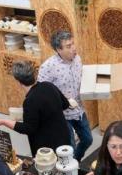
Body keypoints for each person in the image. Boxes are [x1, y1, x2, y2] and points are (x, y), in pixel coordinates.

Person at [0, 61, 71, 155]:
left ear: (19, 82)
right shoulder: (49, 86)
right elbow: (65, 104)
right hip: (64, 140)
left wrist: (3, 121)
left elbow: (28, 128)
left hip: (47, 150)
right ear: (34, 75)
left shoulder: (30, 101)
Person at [39, 31, 92, 159]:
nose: (73, 48)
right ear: (58, 49)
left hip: (78, 109)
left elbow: (82, 79)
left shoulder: (78, 59)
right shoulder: (48, 67)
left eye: (73, 44)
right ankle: (72, 168)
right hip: (62, 115)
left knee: (88, 139)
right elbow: (41, 92)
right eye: (68, 46)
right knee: (70, 148)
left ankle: (76, 161)